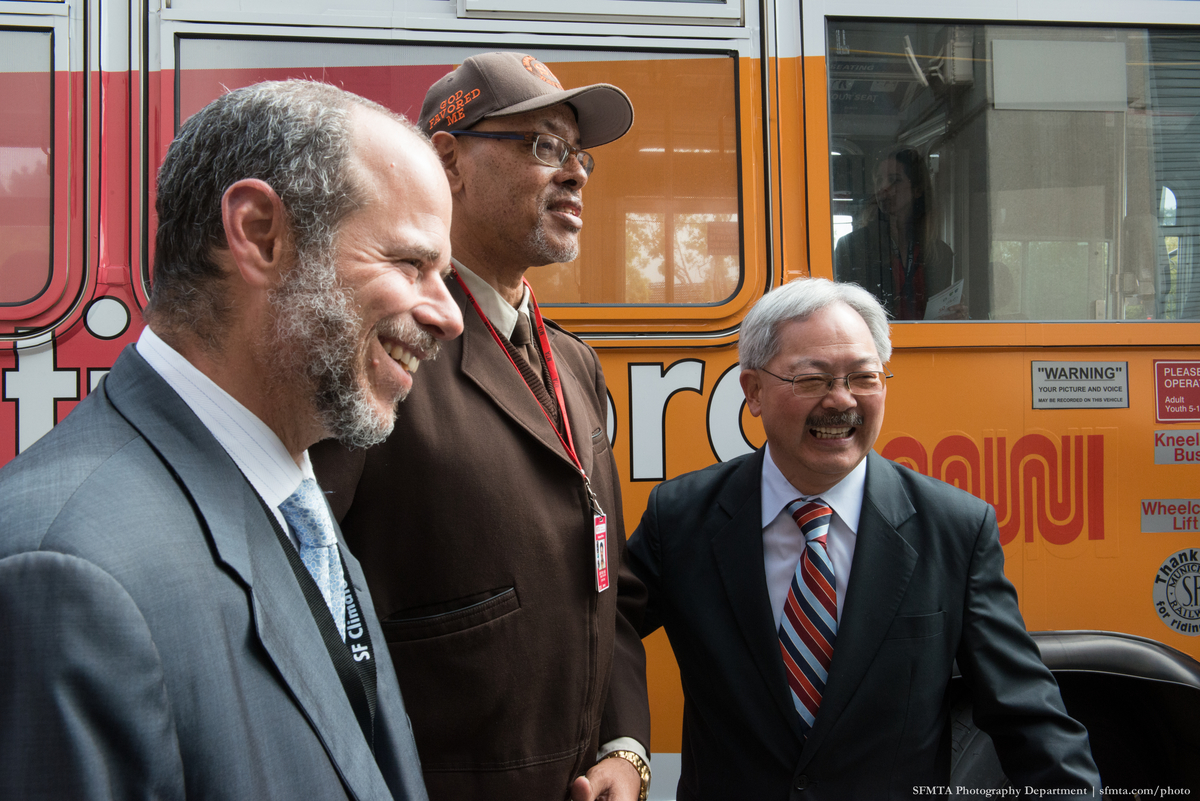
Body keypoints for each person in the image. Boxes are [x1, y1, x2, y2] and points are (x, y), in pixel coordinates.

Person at [0, 79, 464, 800]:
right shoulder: (66, 575)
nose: (448, 314)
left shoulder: (291, 496)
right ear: (258, 234)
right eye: (411, 263)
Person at [311, 52, 652, 801]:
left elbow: (609, 586)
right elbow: (308, 601)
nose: (576, 174)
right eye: (544, 146)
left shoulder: (575, 364)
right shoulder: (383, 349)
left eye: (579, 154)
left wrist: (625, 750)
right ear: (447, 161)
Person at [626, 277, 1101, 798]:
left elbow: (1026, 714)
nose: (841, 401)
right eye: (812, 380)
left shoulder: (955, 529)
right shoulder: (682, 519)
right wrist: (621, 750)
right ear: (753, 392)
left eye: (863, 377)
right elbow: (598, 640)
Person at [834, 147, 962, 320]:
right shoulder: (850, 247)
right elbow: (841, 311)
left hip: (926, 344)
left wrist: (955, 316)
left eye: (894, 181)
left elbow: (939, 312)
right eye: (879, 181)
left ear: (917, 190)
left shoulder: (940, 253)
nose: (884, 188)